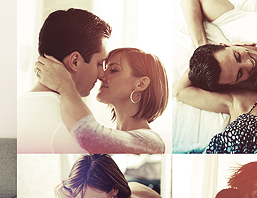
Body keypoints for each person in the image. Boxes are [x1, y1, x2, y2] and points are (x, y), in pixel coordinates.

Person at [34, 47, 168, 154]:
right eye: (104, 68)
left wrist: (64, 84)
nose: (102, 75)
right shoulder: (112, 136)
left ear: (141, 84)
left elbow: (89, 136)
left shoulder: (152, 142)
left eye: (114, 70)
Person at [18, 8, 112, 153]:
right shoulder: (67, 129)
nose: (102, 75)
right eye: (99, 63)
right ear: (75, 61)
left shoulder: (21, 106)